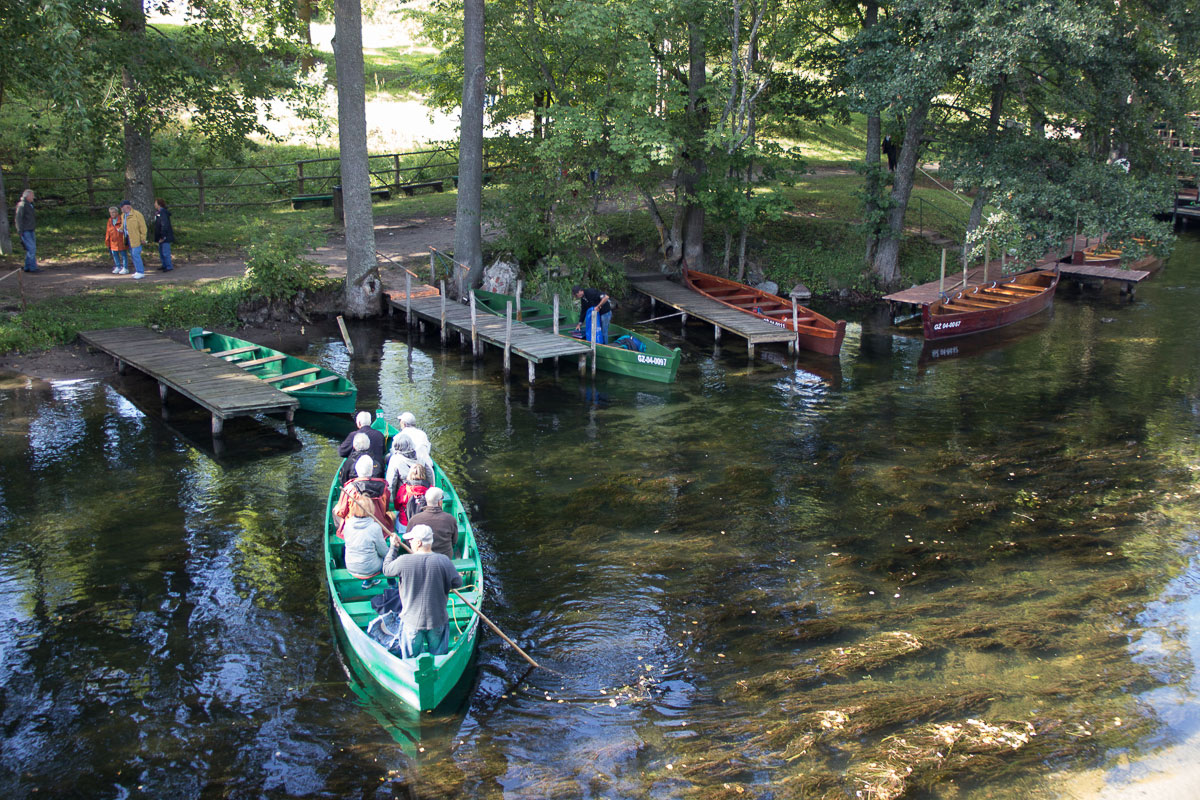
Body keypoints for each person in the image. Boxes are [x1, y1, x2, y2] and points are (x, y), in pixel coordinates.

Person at [382, 524, 464, 658]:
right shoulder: (444, 561)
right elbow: (458, 583)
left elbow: (386, 570)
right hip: (437, 620)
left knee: (410, 659)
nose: (409, 542)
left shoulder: (403, 561)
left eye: (411, 540)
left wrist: (393, 548)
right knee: (439, 658)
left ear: (419, 543)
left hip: (411, 622)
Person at [334, 455, 393, 537]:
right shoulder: (383, 486)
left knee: (335, 510)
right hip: (379, 527)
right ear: (372, 470)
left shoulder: (349, 488)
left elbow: (341, 512)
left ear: (357, 470)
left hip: (354, 531)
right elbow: (385, 508)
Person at [342, 493, 390, 589]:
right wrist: (393, 548)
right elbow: (384, 552)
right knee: (389, 558)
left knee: (367, 553)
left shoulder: (347, 524)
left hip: (351, 565)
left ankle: (368, 582)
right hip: (370, 568)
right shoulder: (375, 527)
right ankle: (392, 584)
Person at [405, 486, 459, 559]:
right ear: (440, 502)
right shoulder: (450, 519)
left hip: (422, 558)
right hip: (445, 558)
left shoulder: (414, 519)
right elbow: (454, 541)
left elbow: (409, 542)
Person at [394, 463, 430, 530]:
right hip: (424, 526)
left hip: (405, 525)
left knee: (396, 513)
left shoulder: (403, 489)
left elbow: (397, 506)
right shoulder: (430, 489)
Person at [121, 200, 149, 279]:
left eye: (123, 208)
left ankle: (141, 272)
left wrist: (143, 238)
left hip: (136, 238)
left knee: (136, 254)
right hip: (128, 238)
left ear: (128, 207)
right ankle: (137, 270)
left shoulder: (137, 215)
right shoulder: (123, 215)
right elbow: (123, 225)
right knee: (133, 255)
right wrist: (120, 229)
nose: (121, 210)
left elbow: (143, 227)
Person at [15, 189, 38, 273]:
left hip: (31, 229)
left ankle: (27, 267)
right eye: (32, 195)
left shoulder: (29, 204)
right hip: (25, 230)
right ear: (27, 196)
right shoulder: (22, 205)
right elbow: (18, 219)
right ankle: (33, 268)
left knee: (30, 249)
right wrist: (20, 231)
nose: (33, 197)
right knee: (32, 249)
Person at [152, 198, 174, 272]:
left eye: (155, 203)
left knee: (165, 252)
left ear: (159, 204)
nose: (154, 204)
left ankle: (168, 266)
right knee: (161, 252)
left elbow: (164, 224)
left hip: (165, 236)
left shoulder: (163, 213)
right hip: (160, 236)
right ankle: (164, 265)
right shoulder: (158, 212)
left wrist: (163, 236)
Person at [105, 206, 128, 275]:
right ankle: (118, 266)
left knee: (123, 254)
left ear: (117, 213)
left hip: (121, 240)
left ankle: (125, 268)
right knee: (114, 254)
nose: (112, 214)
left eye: (113, 212)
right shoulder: (109, 220)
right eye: (110, 213)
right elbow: (108, 231)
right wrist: (107, 241)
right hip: (113, 240)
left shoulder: (122, 219)